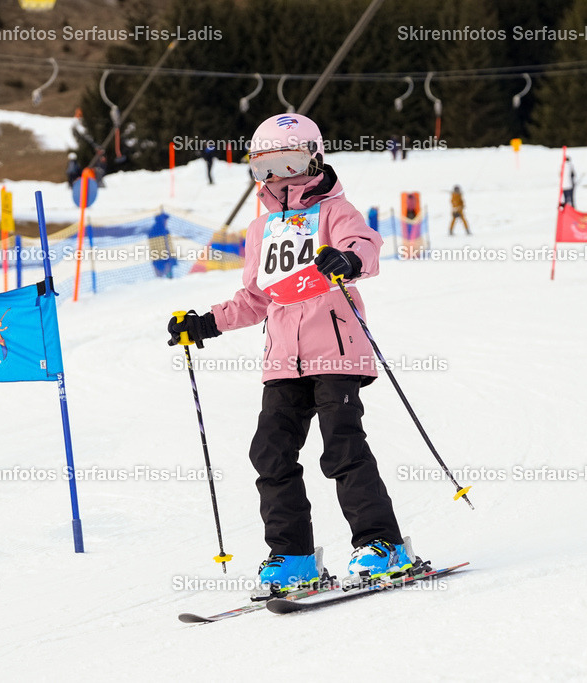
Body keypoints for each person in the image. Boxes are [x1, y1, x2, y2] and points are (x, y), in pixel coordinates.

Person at [167, 113, 411, 595]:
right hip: (282, 361)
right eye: (265, 168)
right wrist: (206, 323)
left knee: (342, 447)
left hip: (336, 350)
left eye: (289, 163)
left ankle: (383, 544)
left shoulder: (335, 212)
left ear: (313, 160)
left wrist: (348, 259)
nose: (278, 177)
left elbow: (366, 245)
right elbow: (256, 297)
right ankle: (293, 555)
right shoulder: (261, 229)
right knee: (271, 452)